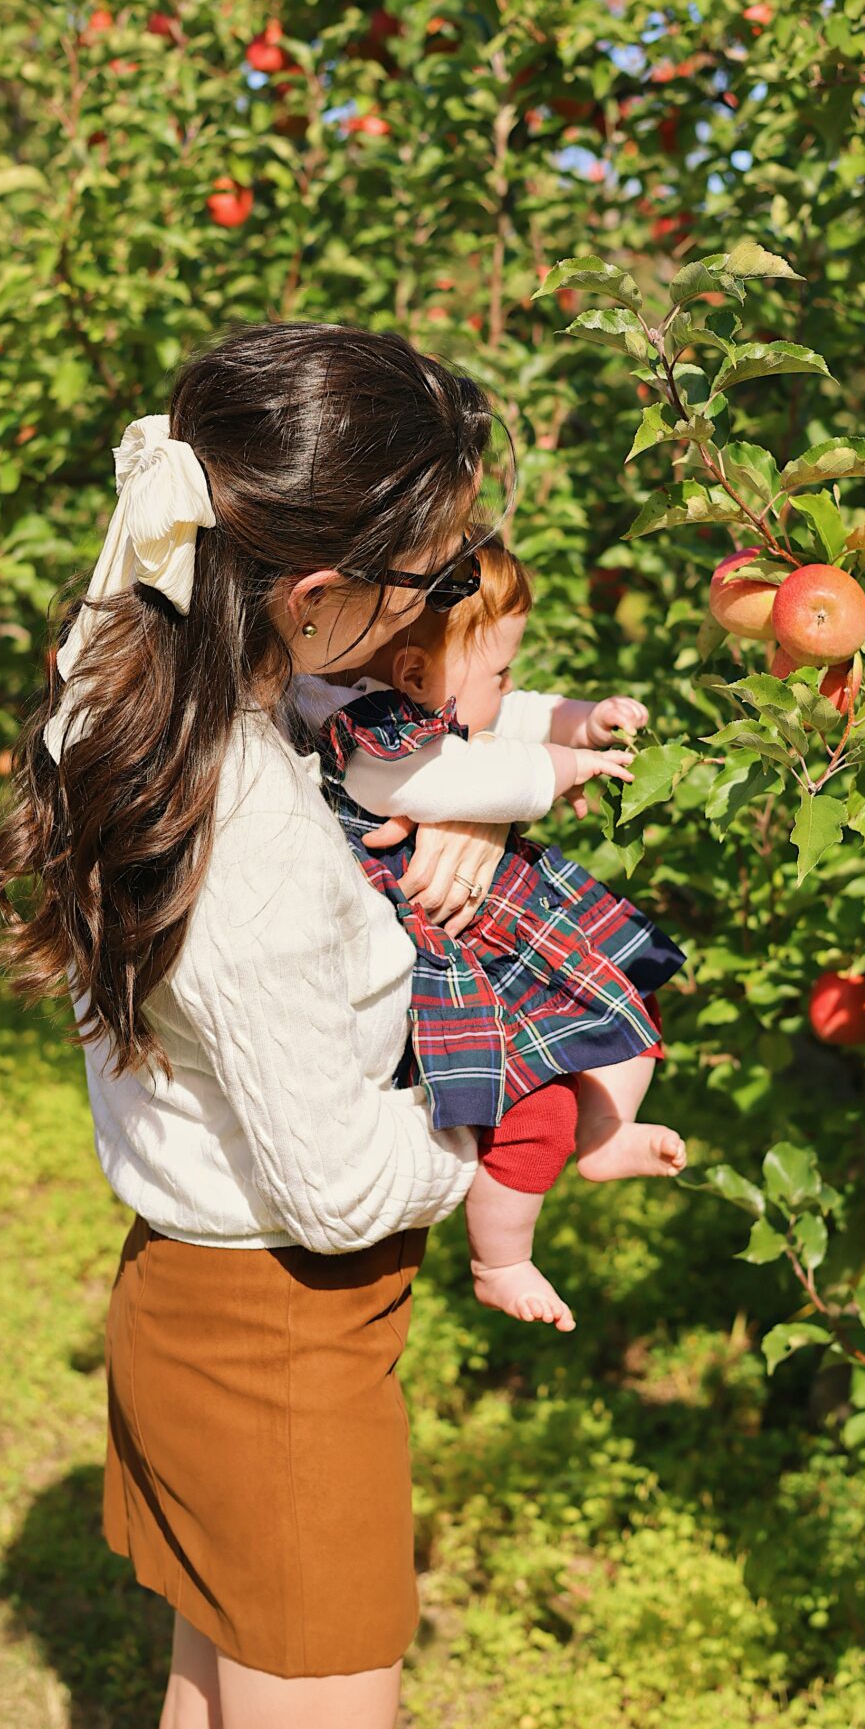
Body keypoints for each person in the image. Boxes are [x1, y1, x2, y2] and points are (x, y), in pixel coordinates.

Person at [0, 322, 531, 1729]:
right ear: (309, 600)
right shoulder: (263, 859)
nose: (443, 613)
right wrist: (511, 1124)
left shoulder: (134, 681)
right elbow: (341, 1185)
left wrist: (459, 805)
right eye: (426, 585)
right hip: (284, 1344)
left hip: (181, 1298)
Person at [291, 539, 687, 1335]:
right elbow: (457, 775)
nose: (510, 687)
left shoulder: (432, 691)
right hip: (460, 956)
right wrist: (559, 771)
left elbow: (507, 710)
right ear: (412, 675)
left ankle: (607, 1134)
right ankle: (501, 1259)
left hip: (514, 927)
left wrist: (582, 721)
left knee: (621, 1004)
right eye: (500, 670)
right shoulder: (368, 733)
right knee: (532, 1113)